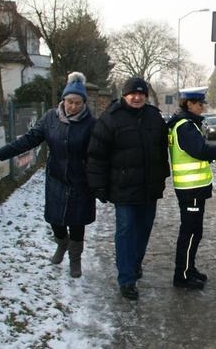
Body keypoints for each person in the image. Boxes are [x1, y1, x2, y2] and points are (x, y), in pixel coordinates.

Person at [0, 72, 95, 278]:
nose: (73, 106)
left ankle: (75, 260)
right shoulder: (50, 119)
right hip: (56, 178)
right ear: (62, 100)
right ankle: (61, 245)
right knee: (55, 219)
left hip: (80, 181)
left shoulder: (91, 124)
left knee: (77, 222)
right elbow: (29, 139)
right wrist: (3, 153)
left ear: (84, 103)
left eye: (78, 103)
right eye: (69, 101)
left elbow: (100, 154)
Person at [86, 77, 170, 301]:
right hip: (123, 189)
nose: (137, 97)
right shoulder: (111, 118)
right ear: (124, 95)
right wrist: (99, 186)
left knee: (143, 231)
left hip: (149, 189)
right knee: (125, 232)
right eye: (133, 93)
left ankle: (134, 264)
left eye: (141, 94)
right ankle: (126, 279)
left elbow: (163, 151)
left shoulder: (154, 116)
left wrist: (162, 177)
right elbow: (96, 155)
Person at [166, 87, 216, 290]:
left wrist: (214, 153)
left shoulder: (185, 123)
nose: (202, 107)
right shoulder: (185, 126)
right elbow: (201, 151)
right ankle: (182, 275)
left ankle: (189, 268)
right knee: (189, 232)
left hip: (193, 188)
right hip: (191, 188)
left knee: (194, 232)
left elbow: (198, 153)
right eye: (199, 104)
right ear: (189, 104)